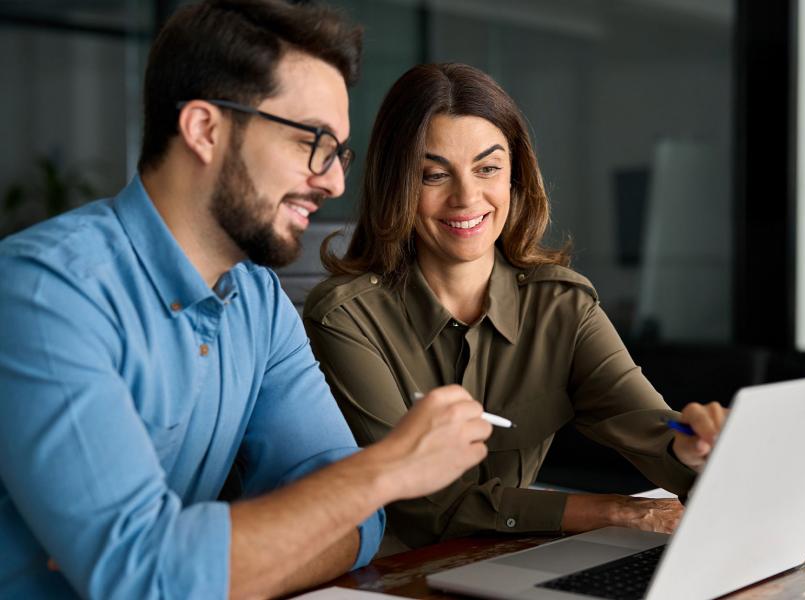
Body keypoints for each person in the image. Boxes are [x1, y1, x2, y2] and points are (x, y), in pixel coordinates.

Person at [0, 4, 493, 598]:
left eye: (339, 151)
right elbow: (146, 578)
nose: (335, 181)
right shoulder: (44, 293)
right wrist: (385, 470)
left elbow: (360, 525)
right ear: (205, 129)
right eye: (313, 141)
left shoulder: (259, 302)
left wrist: (202, 561)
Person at [303, 62, 727, 553]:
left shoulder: (561, 305)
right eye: (434, 174)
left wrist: (691, 448)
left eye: (488, 168)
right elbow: (420, 508)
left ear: (515, 177)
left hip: (516, 561)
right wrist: (608, 512)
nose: (467, 197)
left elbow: (651, 427)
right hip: (391, 577)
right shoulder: (345, 317)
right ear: (396, 184)